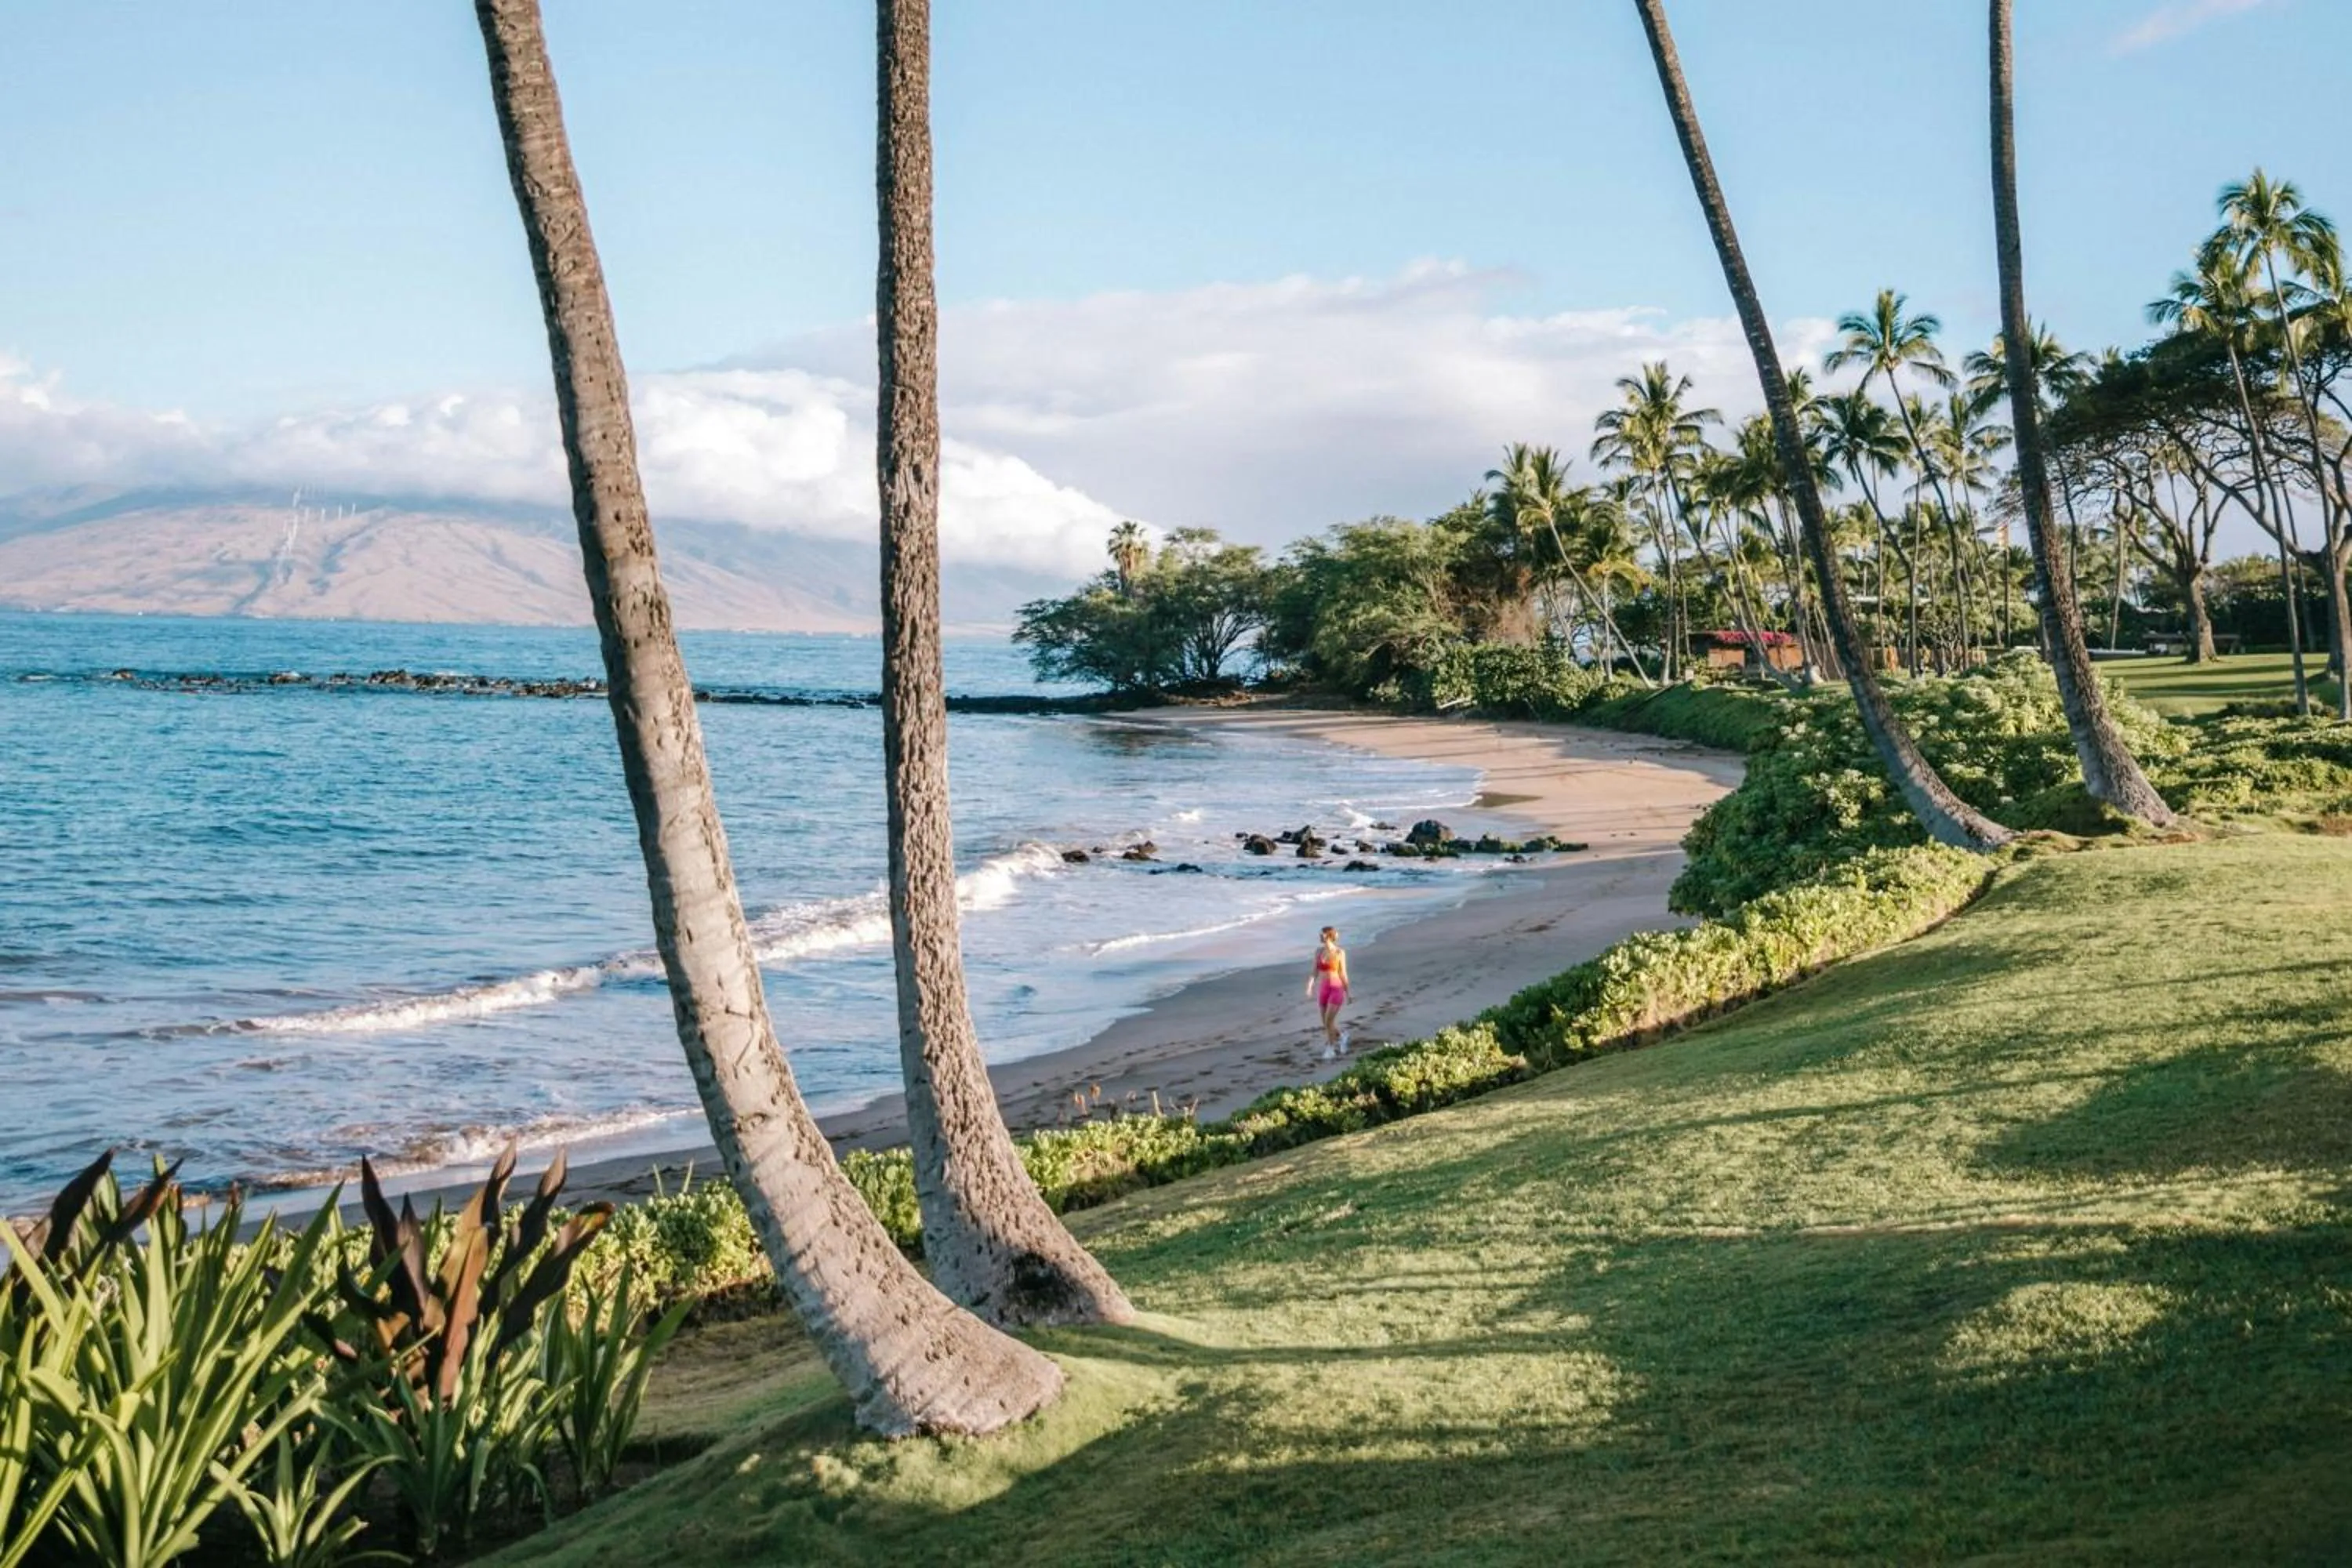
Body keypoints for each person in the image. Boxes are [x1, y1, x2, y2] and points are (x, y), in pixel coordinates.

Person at [1306, 925, 1351, 1057]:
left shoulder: (1339, 953)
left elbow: (1343, 974)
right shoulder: (1318, 952)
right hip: (1324, 989)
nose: (1320, 936)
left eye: (1322, 934)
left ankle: (1330, 1048)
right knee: (1325, 1023)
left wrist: (1348, 993)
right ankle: (1342, 1036)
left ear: (1329, 936)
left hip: (1336, 988)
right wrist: (1309, 986)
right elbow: (1314, 972)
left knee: (1328, 1021)